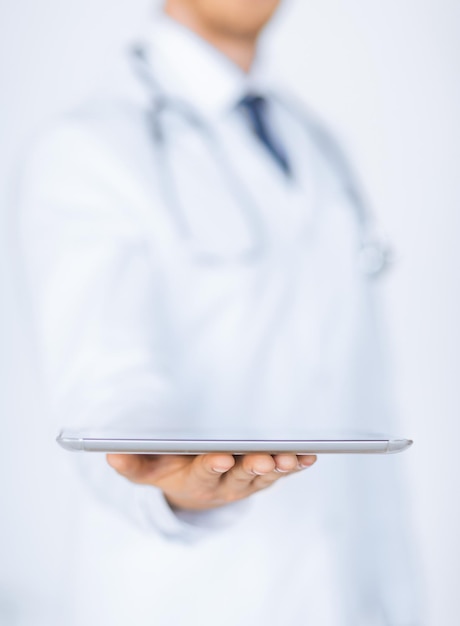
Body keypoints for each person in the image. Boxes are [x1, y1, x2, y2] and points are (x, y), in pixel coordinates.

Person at [18, 0, 420, 624]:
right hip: (195, 597)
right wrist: (172, 479)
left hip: (354, 593)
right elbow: (103, 379)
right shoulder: (88, 147)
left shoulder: (316, 142)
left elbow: (352, 384)